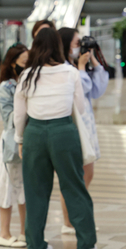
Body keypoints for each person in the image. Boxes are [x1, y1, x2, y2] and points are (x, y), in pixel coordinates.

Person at [14, 28, 97, 249]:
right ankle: (86, 242)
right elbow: (79, 108)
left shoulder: (27, 75)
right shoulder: (70, 73)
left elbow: (19, 114)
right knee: (74, 185)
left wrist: (20, 139)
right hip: (64, 132)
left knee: (35, 190)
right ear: (60, 47)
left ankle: (35, 243)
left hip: (35, 134)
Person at [57, 27, 108, 235]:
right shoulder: (62, 67)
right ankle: (69, 222)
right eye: (77, 43)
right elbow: (81, 87)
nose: (81, 47)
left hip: (87, 126)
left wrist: (93, 62)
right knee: (72, 177)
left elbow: (97, 90)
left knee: (88, 173)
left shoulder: (78, 66)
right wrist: (79, 66)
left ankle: (76, 215)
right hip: (73, 126)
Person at [0, 43, 29, 248]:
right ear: (13, 63)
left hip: (28, 140)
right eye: (24, 61)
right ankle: (4, 234)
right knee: (7, 186)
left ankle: (25, 232)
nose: (27, 65)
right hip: (11, 143)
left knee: (25, 187)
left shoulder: (31, 82)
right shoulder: (6, 87)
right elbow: (9, 118)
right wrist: (27, 105)